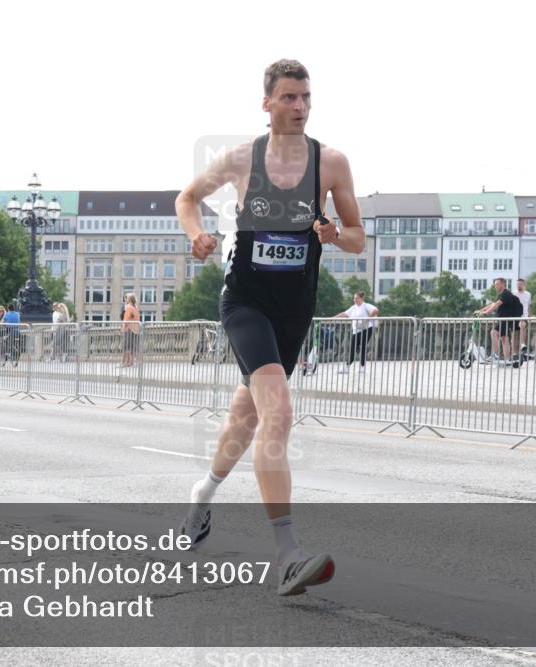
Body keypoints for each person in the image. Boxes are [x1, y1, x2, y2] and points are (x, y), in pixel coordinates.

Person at [175, 59, 363, 596]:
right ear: (267, 103)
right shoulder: (240, 160)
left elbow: (356, 237)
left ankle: (201, 496)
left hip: (294, 309)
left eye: (306, 98)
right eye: (288, 98)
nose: (300, 107)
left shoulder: (331, 163)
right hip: (246, 303)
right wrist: (196, 235)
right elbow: (186, 199)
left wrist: (331, 234)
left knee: (245, 416)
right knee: (278, 409)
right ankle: (286, 554)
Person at [474, 277, 523, 366]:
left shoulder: (506, 294)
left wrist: (486, 313)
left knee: (494, 333)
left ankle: (496, 355)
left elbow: (497, 304)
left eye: (497, 284)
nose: (495, 286)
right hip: (504, 320)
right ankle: (507, 360)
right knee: (504, 339)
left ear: (503, 284)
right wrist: (481, 310)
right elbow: (492, 304)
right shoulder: (501, 294)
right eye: (495, 284)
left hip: (505, 319)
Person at [334, 291, 378, 374]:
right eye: (354, 298)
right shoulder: (354, 307)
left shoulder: (366, 305)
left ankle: (362, 367)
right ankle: (346, 368)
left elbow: (375, 310)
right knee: (352, 348)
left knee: (363, 347)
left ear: (361, 298)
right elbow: (344, 313)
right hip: (356, 331)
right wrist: (334, 317)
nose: (355, 300)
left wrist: (368, 318)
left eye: (357, 298)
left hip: (366, 329)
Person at [512, 278, 532, 356]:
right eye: (517, 284)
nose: (518, 286)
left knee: (522, 325)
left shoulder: (528, 294)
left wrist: (530, 316)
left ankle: (523, 344)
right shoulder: (513, 293)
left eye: (520, 284)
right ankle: (515, 353)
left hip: (524, 316)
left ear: (524, 285)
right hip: (514, 316)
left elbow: (529, 305)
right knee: (514, 335)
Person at [121, 293, 141, 367]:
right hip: (136, 329)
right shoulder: (135, 307)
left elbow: (126, 318)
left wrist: (123, 327)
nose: (125, 299)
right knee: (133, 347)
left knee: (127, 346)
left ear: (129, 299)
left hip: (129, 328)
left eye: (126, 298)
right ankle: (133, 362)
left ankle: (126, 362)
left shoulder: (128, 307)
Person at [2, 302, 21, 366]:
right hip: (18, 331)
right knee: (10, 343)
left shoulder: (7, 314)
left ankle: (9, 354)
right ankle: (13, 352)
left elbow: (3, 323)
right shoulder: (17, 314)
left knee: (6, 342)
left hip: (11, 331)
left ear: (8, 308)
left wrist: (5, 325)